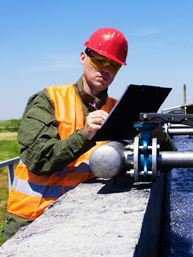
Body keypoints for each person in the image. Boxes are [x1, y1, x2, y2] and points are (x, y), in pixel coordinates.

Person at [3, 27, 176, 243]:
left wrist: (158, 136)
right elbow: (36, 159)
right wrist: (84, 136)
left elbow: (168, 163)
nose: (105, 69)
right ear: (83, 57)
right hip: (33, 219)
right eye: (99, 61)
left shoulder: (118, 110)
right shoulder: (48, 100)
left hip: (84, 219)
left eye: (113, 65)